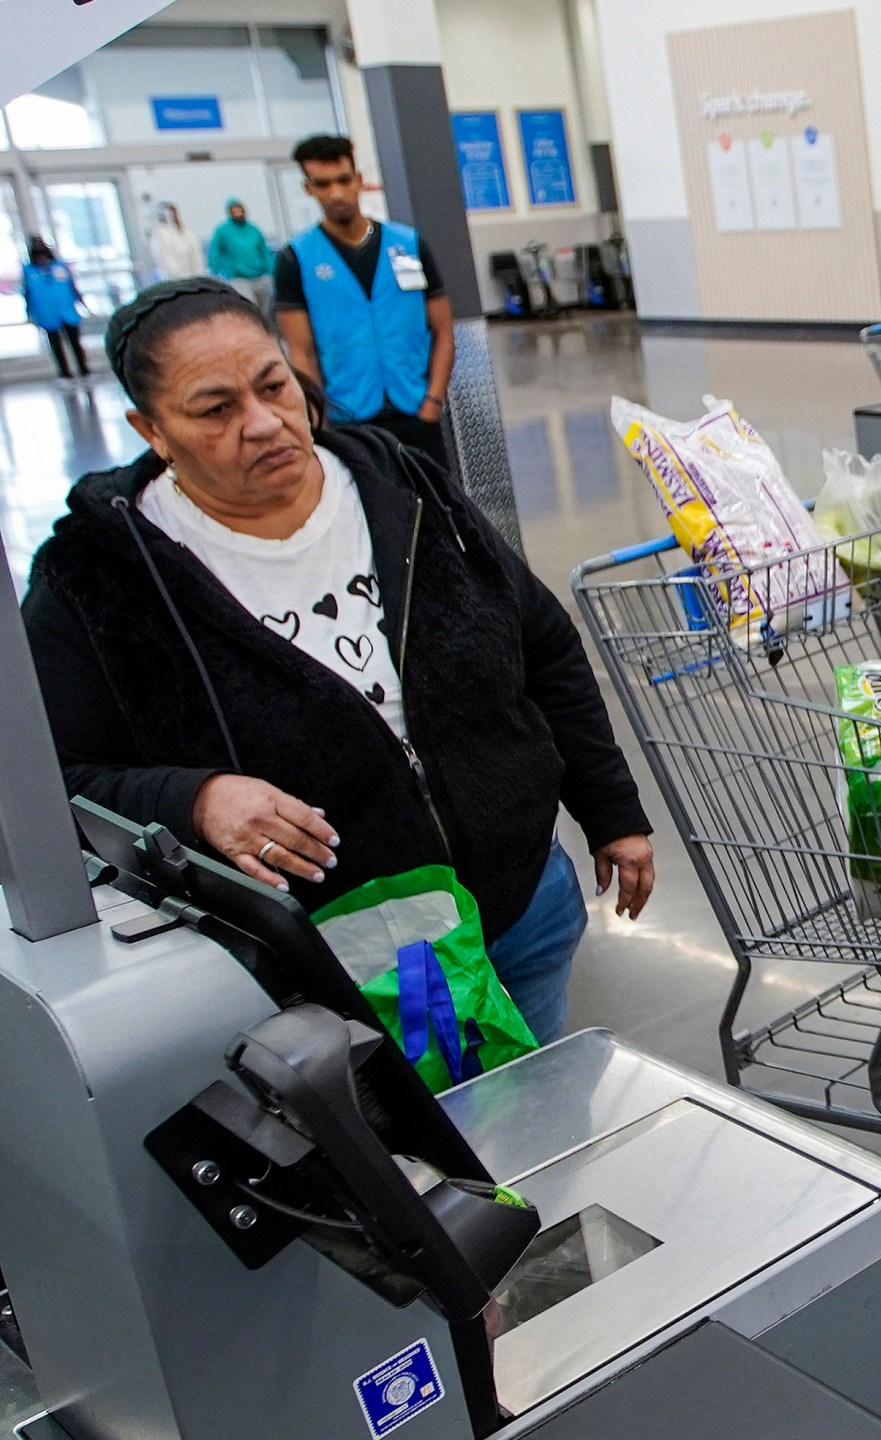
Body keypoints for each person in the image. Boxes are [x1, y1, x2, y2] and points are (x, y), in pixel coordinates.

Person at [22, 278, 654, 1044]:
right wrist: (194, 799)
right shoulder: (100, 574)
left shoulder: (402, 488)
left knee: (539, 1128)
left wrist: (612, 810)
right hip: (328, 969)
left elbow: (543, 645)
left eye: (273, 385)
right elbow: (53, 780)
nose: (263, 424)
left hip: (521, 908)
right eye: (216, 410)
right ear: (151, 430)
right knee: (403, 1158)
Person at [275, 134, 455, 463]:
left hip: (416, 411)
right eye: (323, 184)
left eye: (344, 180)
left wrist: (433, 401)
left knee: (435, 509)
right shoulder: (296, 259)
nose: (337, 194)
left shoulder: (408, 244)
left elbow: (443, 330)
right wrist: (319, 424)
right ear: (308, 189)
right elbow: (301, 352)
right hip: (350, 421)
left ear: (359, 180)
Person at [21, 239, 90, 386]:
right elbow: (27, 293)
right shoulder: (29, 271)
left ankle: (84, 370)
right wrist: (28, 312)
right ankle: (65, 374)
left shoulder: (59, 266)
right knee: (56, 346)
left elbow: (72, 286)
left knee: (75, 343)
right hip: (47, 314)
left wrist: (81, 302)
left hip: (66, 310)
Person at [205, 198, 275, 307]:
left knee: (265, 308)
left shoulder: (253, 229)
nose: (237, 212)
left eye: (239, 209)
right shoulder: (222, 231)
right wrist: (214, 272)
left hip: (260, 276)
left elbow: (264, 251)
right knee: (249, 305)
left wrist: (271, 270)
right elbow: (215, 251)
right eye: (234, 209)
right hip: (238, 277)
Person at [146, 203, 207, 284]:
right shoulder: (160, 235)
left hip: (193, 276)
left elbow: (196, 253)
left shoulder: (186, 232)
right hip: (174, 278)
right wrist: (177, 275)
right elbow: (164, 258)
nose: (172, 216)